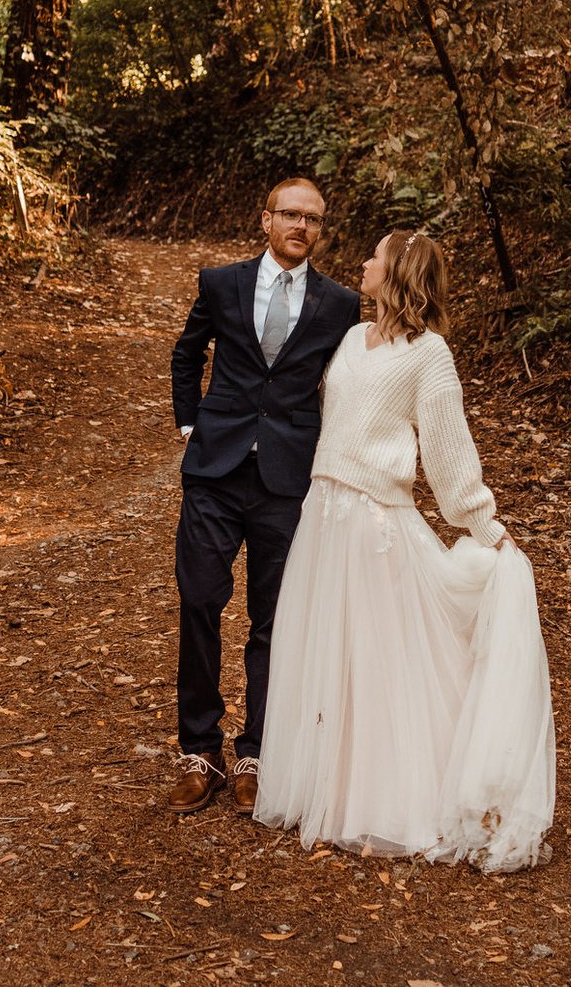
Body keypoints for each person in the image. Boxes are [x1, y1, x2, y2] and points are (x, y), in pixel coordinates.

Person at [253, 229, 556, 873]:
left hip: (374, 520)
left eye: (375, 257)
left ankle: (393, 802)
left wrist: (481, 520)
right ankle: (332, 793)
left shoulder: (430, 354)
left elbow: (448, 449)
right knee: (327, 650)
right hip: (324, 513)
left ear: (398, 273)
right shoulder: (348, 340)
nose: (363, 263)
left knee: (380, 658)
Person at [165, 177, 363, 814]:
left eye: (313, 220)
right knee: (199, 601)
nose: (301, 227)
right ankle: (199, 751)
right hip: (215, 472)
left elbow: (349, 382)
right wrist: (193, 423)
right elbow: (187, 352)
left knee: (273, 621)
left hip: (287, 479)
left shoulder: (340, 304)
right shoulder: (220, 283)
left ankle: (256, 755)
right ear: (266, 220)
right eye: (290, 215)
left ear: (321, 231)